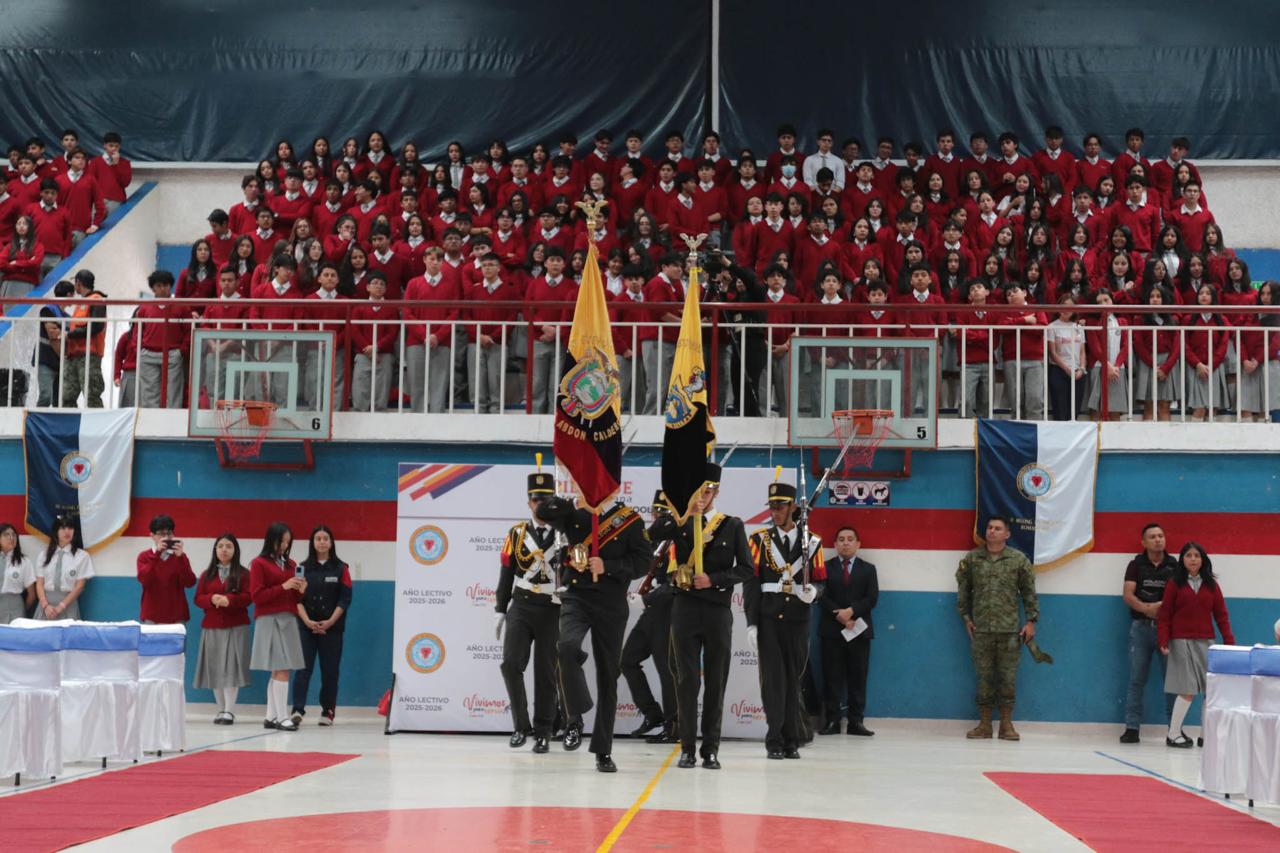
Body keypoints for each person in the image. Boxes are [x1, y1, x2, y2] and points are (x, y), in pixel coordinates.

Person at [536, 487, 649, 773]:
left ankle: (603, 750)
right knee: (567, 647)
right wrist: (576, 500)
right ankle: (576, 714)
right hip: (578, 596)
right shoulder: (575, 513)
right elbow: (543, 511)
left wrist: (608, 565)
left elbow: (643, 562)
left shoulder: (630, 520)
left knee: (608, 677)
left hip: (611, 604)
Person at [662, 463, 753, 770]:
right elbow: (657, 549)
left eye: (709, 490)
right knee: (687, 681)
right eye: (699, 490)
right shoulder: (681, 523)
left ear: (717, 491)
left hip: (716, 610)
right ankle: (687, 747)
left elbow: (746, 569)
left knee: (716, 680)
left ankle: (710, 748)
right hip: (685, 609)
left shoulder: (732, 525)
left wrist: (713, 579)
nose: (704, 495)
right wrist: (683, 514)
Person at [745, 480, 826, 758]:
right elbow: (752, 584)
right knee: (773, 682)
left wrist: (813, 593)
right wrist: (752, 623)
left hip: (798, 620)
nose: (775, 512)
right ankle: (774, 740)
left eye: (780, 507)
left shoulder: (812, 542)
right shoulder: (758, 540)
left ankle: (792, 740)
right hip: (769, 619)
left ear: (793, 507)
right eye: (771, 507)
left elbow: (822, 583)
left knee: (794, 680)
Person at [495, 468, 564, 752]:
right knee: (511, 664)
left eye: (546, 500)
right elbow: (507, 572)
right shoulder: (516, 533)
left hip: (552, 607)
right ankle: (521, 727)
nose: (541, 505)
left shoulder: (564, 533)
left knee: (546, 671)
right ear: (529, 503)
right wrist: (500, 609)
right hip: (522, 604)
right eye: (536, 500)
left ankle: (544, 730)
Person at [956, 516, 1039, 741]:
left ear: (1007, 534)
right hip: (981, 630)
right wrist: (966, 617)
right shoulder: (972, 559)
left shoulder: (1019, 560)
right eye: (989, 527)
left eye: (997, 528)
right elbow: (963, 590)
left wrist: (1031, 621)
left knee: (1008, 678)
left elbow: (1029, 592)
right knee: (983, 678)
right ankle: (984, 725)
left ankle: (1006, 725)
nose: (992, 531)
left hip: (1010, 631)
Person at [1159, 542, 1234, 748]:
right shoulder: (1175, 583)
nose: (1193, 559)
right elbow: (1165, 614)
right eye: (1189, 555)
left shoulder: (1211, 585)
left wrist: (1229, 641)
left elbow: (1221, 615)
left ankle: (1205, 735)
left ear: (1203, 559)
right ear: (1182, 559)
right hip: (1180, 641)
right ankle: (1173, 734)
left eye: (1197, 555)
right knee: (1187, 689)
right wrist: (1163, 640)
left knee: (1210, 690)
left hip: (1206, 641)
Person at [620, 491, 679, 744]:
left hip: (668, 612)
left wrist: (647, 599)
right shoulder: (655, 544)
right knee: (627, 660)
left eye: (661, 513)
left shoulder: (675, 543)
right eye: (655, 512)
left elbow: (675, 584)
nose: (656, 517)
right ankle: (652, 714)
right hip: (651, 613)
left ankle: (674, 725)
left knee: (667, 670)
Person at [815, 524, 879, 737]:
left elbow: (871, 598)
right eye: (841, 539)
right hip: (832, 631)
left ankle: (856, 722)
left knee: (858, 678)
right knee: (832, 677)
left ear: (858, 544)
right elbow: (820, 596)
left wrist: (851, 611)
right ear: (834, 545)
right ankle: (832, 721)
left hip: (859, 631)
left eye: (850, 539)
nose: (845, 543)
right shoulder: (825, 567)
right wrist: (840, 615)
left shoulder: (868, 569)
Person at [1120, 523, 1177, 744]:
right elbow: (1128, 595)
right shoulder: (1135, 565)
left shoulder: (1175, 566)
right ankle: (1132, 728)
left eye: (1161, 535)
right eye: (1152, 537)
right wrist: (1147, 609)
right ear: (1143, 542)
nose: (1158, 540)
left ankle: (1174, 731)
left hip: (1167, 631)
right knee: (1136, 680)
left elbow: (1178, 597)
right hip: (1140, 629)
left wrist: (1161, 607)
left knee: (1171, 681)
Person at [290, 525, 352, 727]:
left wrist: (330, 621)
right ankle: (297, 709)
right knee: (302, 669)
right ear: (312, 542)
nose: (322, 542)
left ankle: (328, 711)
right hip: (306, 627)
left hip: (332, 628)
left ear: (331, 542)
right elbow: (295, 599)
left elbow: (344, 600)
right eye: (318, 538)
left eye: (326, 538)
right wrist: (307, 621)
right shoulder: (302, 567)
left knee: (330, 671)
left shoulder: (342, 568)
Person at [250, 522, 307, 731]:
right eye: (281, 541)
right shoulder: (258, 563)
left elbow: (295, 597)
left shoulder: (291, 564)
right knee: (282, 668)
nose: (284, 545)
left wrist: (301, 589)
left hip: (289, 619)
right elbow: (256, 596)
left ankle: (271, 716)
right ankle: (283, 716)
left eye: (287, 542)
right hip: (269, 619)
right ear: (270, 539)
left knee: (278, 669)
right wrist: (282, 587)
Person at [193, 534, 252, 724]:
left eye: (228, 546)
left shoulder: (244, 574)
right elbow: (198, 598)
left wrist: (230, 600)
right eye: (220, 546)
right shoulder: (206, 574)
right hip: (211, 626)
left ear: (235, 550)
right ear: (215, 550)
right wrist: (211, 599)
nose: (224, 550)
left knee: (231, 668)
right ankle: (220, 709)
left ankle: (229, 710)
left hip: (236, 626)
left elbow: (249, 597)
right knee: (215, 668)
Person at [136, 514, 196, 624]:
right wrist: (157, 554)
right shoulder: (144, 556)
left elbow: (190, 582)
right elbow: (144, 579)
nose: (166, 537)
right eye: (161, 534)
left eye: (169, 533)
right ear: (152, 535)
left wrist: (180, 558)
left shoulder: (180, 556)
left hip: (177, 616)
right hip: (152, 616)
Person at [62, 269, 106, 407]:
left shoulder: (97, 300)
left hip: (89, 356)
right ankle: (69, 426)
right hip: (74, 355)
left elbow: (96, 326)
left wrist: (70, 335)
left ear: (78, 283)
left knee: (92, 394)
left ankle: (98, 426)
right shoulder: (82, 303)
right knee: (67, 396)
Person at [35, 516, 93, 620]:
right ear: (56, 531)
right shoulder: (44, 555)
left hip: (68, 606)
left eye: (70, 528)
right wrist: (45, 606)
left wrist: (60, 607)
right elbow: (39, 584)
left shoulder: (82, 556)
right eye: (62, 528)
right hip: (46, 607)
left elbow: (79, 587)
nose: (67, 531)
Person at [0, 522, 35, 623]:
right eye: (6, 534)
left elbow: (31, 595)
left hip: (14, 608)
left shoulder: (24, 561)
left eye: (14, 535)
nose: (11, 538)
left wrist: (22, 610)